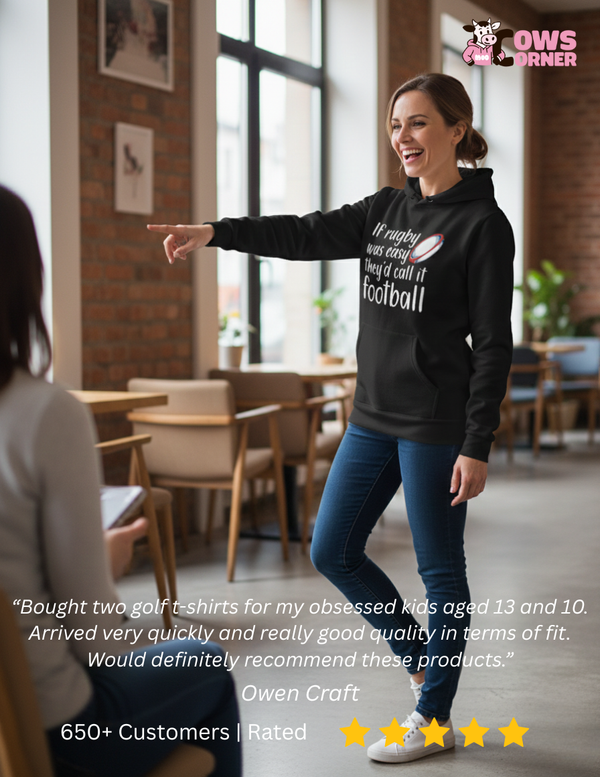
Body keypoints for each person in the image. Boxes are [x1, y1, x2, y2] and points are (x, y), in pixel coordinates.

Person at [148, 72, 514, 764]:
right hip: (372, 415)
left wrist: (478, 442)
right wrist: (215, 233)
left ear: (456, 130)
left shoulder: (483, 226)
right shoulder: (384, 211)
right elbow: (303, 233)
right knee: (331, 547)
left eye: (417, 123)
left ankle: (433, 717)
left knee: (441, 570)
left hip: (437, 423)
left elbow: (493, 344)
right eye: (394, 125)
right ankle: (423, 663)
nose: (402, 138)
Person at [0, 185, 242, 777]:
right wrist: (103, 565)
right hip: (50, 730)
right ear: (26, 281)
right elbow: (97, 637)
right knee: (204, 662)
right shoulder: (44, 415)